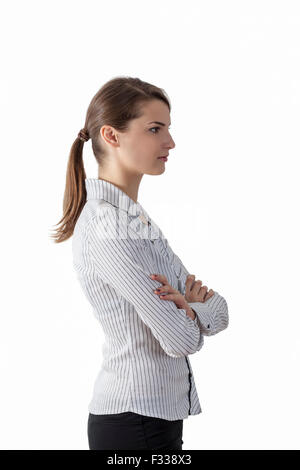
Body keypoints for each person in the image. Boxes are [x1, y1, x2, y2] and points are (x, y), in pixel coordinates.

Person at [50, 76, 229, 450]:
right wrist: (195, 313)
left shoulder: (135, 221)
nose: (170, 142)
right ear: (112, 136)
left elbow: (221, 310)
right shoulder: (107, 225)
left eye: (168, 128)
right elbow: (180, 339)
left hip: (155, 419)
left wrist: (194, 309)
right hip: (133, 423)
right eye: (154, 129)